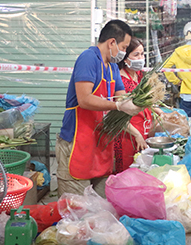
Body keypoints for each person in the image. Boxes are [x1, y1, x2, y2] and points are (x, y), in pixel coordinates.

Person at [57, 20, 141, 197]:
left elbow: (122, 98)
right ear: (112, 42)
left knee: (101, 207)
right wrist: (117, 105)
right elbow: (84, 99)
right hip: (77, 143)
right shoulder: (89, 59)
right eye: (124, 47)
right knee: (75, 208)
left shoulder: (112, 68)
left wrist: (137, 106)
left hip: (100, 146)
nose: (124, 53)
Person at [114, 37, 159, 173]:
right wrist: (136, 134)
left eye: (142, 54)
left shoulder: (140, 75)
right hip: (128, 135)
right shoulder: (120, 80)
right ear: (125, 58)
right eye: (136, 54)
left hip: (143, 131)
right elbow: (118, 115)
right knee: (128, 173)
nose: (141, 58)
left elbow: (145, 102)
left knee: (142, 170)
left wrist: (159, 111)